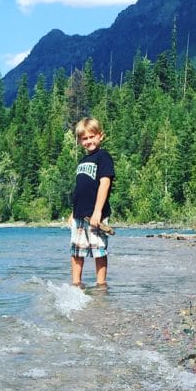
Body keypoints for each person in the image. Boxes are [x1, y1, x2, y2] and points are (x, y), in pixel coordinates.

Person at [69, 116, 115, 288]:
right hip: (79, 215)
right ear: (80, 140)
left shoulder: (103, 157)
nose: (88, 141)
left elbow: (105, 183)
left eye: (91, 137)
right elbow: (80, 190)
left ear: (100, 136)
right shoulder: (82, 161)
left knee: (99, 250)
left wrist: (97, 211)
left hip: (97, 215)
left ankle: (101, 285)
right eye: (84, 138)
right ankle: (76, 285)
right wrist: (73, 213)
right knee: (76, 251)